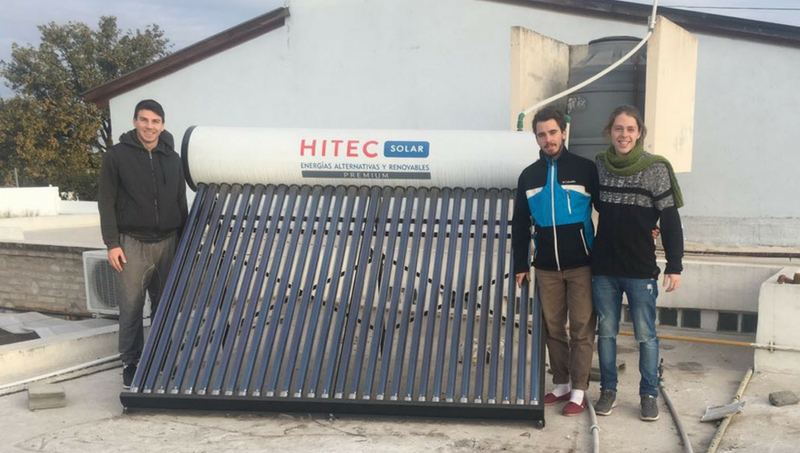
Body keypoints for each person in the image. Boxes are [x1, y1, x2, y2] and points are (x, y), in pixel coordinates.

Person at [591, 104, 684, 422]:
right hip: (604, 268)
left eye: (630, 129)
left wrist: (675, 264)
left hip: (640, 268)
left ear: (640, 133)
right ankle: (608, 390)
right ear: (610, 132)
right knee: (606, 333)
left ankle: (648, 395)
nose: (624, 135)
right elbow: (590, 205)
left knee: (646, 335)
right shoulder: (600, 165)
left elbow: (669, 219)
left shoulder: (656, 168)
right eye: (618, 128)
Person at [512, 107, 598, 416]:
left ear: (563, 132)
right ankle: (561, 384)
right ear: (536, 138)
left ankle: (579, 390)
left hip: (581, 265)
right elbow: (520, 223)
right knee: (552, 328)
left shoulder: (585, 169)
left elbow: (610, 211)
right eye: (541, 134)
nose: (548, 139)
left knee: (582, 329)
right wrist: (520, 264)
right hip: (546, 267)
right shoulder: (528, 176)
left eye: (552, 132)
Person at [98, 99, 188, 389]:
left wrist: (185, 241)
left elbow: (180, 201)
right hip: (131, 243)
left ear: (162, 125)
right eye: (144, 120)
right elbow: (106, 202)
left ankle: (162, 357)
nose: (150, 126)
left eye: (155, 121)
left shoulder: (173, 159)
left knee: (166, 305)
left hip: (168, 242)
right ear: (135, 121)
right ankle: (132, 362)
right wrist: (112, 243)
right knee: (131, 307)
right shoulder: (116, 156)